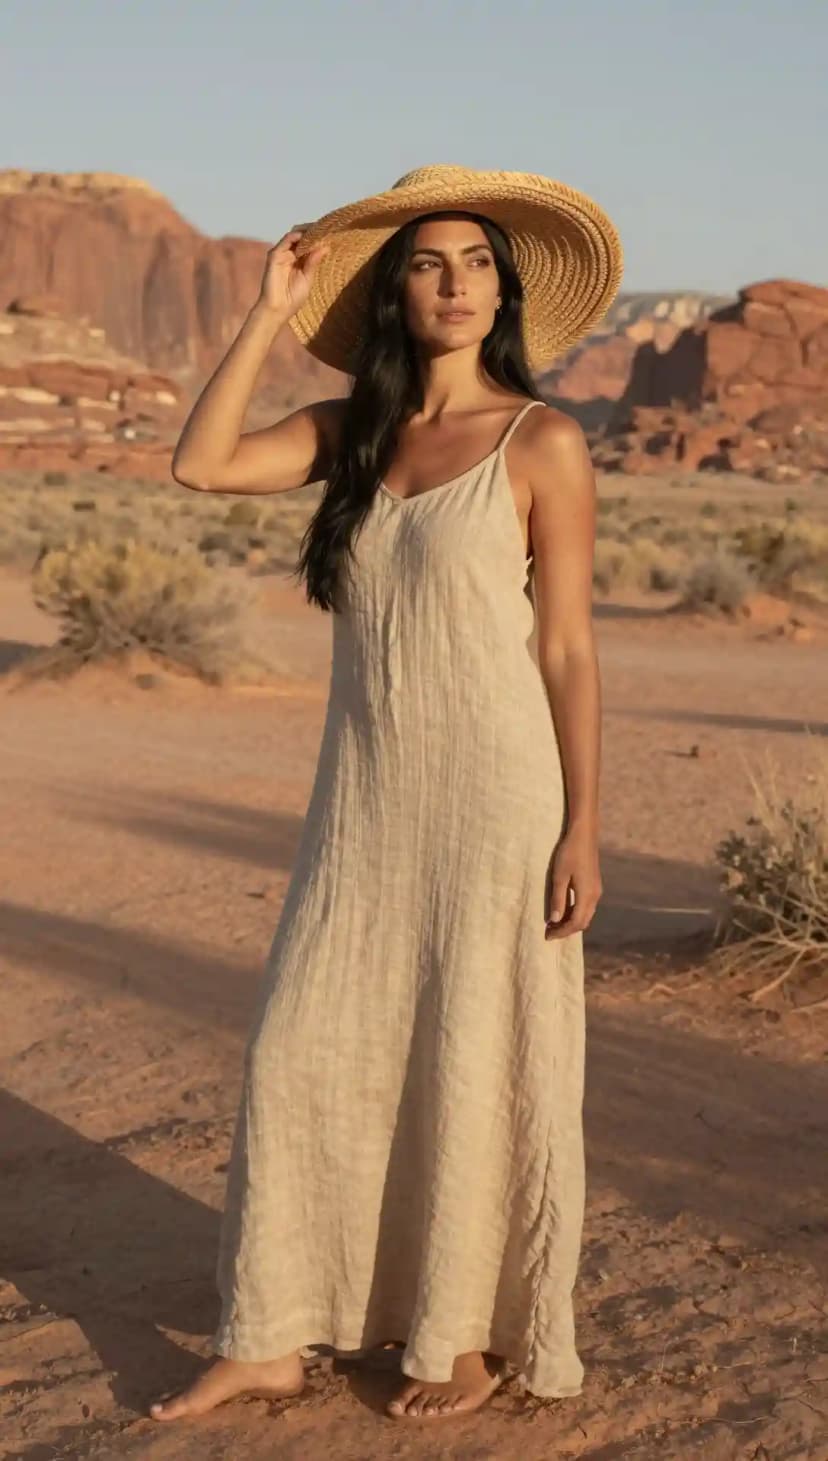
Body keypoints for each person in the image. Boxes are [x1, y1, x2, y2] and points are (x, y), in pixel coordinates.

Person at [149, 163, 623, 1426]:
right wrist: (266, 313)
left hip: (495, 798)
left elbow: (567, 646)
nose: (456, 283)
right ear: (396, 295)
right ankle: (263, 1335)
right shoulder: (350, 431)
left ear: (505, 290)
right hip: (361, 808)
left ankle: (456, 1339)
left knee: (472, 1057)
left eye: (476, 262)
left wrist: (583, 820)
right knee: (300, 1050)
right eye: (428, 263)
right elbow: (198, 466)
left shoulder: (544, 441)